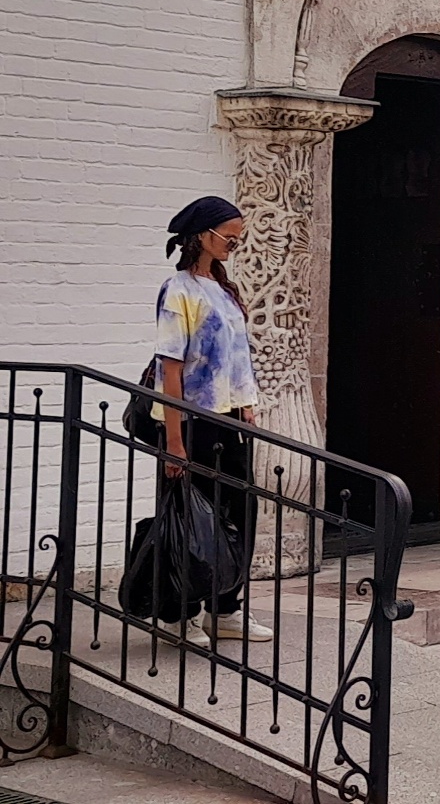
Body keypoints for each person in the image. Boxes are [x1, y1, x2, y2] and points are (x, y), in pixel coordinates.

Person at [153, 196, 272, 648]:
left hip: (230, 422)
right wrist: (175, 442)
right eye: (229, 237)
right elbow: (171, 368)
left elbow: (238, 360)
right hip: (194, 422)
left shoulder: (224, 290)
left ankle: (226, 610)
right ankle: (176, 615)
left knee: (238, 515)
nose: (234, 246)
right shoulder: (178, 290)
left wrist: (247, 405)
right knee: (188, 518)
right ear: (202, 235)